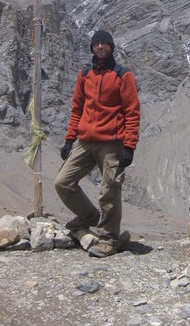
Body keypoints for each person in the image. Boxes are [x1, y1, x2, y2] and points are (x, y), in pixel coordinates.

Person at [55, 30, 140, 257]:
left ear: (111, 47)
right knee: (63, 182)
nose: (100, 47)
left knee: (109, 190)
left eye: (104, 43)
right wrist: (69, 139)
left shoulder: (123, 75)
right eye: (96, 44)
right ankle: (90, 217)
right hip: (84, 141)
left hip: (111, 143)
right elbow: (77, 108)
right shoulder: (85, 74)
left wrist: (129, 146)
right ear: (92, 47)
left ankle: (109, 239)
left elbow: (132, 112)